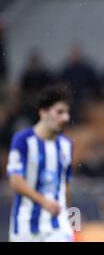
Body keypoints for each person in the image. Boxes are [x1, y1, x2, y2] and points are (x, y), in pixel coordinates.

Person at [7, 85, 74, 242]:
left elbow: (66, 185)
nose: (66, 118)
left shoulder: (67, 145)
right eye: (60, 112)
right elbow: (15, 181)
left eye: (67, 113)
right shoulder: (22, 140)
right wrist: (43, 201)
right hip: (25, 226)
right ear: (43, 113)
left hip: (57, 227)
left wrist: (71, 215)